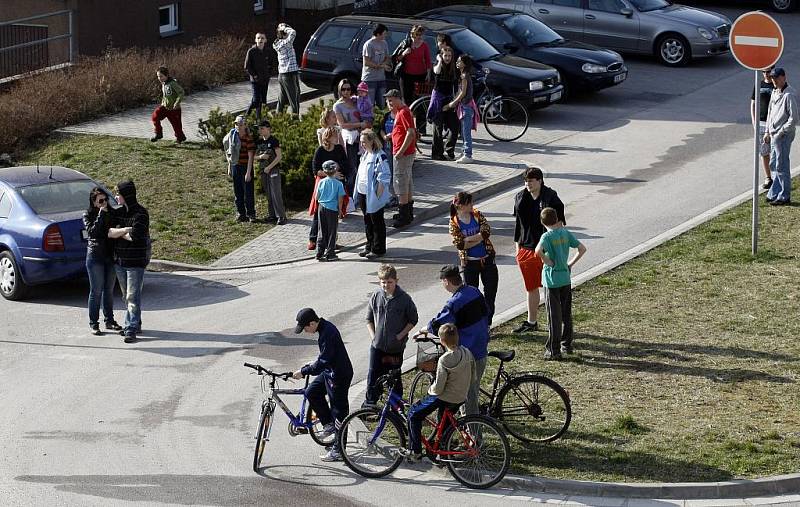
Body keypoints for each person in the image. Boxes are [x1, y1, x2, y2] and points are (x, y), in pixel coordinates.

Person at [401, 323, 474, 463]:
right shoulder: (466, 352)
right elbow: (473, 373)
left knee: (413, 414)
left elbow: (438, 388)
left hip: (445, 396)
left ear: (441, 341)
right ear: (457, 337)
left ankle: (415, 451)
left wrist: (429, 390)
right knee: (444, 421)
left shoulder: (444, 359)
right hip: (460, 396)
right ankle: (443, 452)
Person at [423, 265, 489, 416]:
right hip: (481, 346)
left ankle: (474, 437)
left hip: (467, 354)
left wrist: (424, 329)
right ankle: (465, 427)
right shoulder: (474, 291)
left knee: (467, 396)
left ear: (446, 281)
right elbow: (487, 312)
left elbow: (439, 324)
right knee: (473, 389)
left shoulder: (455, 302)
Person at [292, 308, 353, 462]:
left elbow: (324, 360)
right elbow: (324, 358)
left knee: (339, 412)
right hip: (329, 372)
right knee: (311, 392)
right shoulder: (324, 329)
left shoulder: (328, 333)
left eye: (305, 328)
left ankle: (339, 450)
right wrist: (312, 365)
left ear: (312, 323)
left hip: (339, 375)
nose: (305, 331)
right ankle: (328, 424)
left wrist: (304, 371)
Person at [512, 166, 565, 334]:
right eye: (526, 181)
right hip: (526, 249)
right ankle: (532, 321)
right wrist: (517, 248)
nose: (528, 184)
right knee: (531, 287)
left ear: (540, 181)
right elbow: (518, 225)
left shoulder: (551, 197)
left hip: (547, 250)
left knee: (551, 287)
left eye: (531, 181)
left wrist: (554, 248)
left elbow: (560, 224)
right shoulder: (520, 197)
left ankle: (557, 322)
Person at [535, 207, 586, 360]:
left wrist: (548, 262)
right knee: (566, 313)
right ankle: (567, 344)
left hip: (551, 280)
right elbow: (582, 249)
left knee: (553, 316)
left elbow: (537, 251)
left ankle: (553, 350)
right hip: (565, 278)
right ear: (557, 219)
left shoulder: (546, 236)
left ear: (542, 222)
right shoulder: (565, 233)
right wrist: (570, 264)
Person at [363, 264, 419, 407]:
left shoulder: (405, 299)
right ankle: (370, 405)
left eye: (389, 282)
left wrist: (400, 336)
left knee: (393, 376)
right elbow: (369, 318)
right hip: (378, 346)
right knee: (373, 375)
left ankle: (396, 405)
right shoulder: (376, 295)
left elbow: (413, 319)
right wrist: (373, 336)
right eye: (383, 282)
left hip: (395, 347)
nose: (386, 285)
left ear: (396, 281)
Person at [108, 180, 150, 344]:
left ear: (127, 195)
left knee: (133, 296)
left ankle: (130, 328)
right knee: (127, 296)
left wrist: (121, 232)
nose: (116, 197)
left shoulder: (141, 214)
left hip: (135, 263)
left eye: (118, 194)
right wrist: (126, 230)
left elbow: (135, 236)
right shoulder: (118, 213)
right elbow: (110, 233)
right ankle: (136, 322)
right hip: (120, 261)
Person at [449, 191, 498, 325]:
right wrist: (479, 237)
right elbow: (460, 244)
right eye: (469, 203)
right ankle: (477, 324)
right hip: (470, 264)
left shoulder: (477, 214)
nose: (472, 205)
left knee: (490, 294)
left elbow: (487, 232)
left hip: (487, 260)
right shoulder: (454, 222)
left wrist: (469, 239)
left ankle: (488, 322)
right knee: (472, 296)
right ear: (460, 206)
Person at [83, 187, 122, 336]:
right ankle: (94, 323)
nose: (105, 203)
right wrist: (100, 215)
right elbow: (92, 232)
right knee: (96, 291)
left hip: (110, 256)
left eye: (106, 199)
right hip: (95, 257)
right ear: (94, 202)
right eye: (101, 201)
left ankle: (110, 320)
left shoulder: (111, 212)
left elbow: (116, 228)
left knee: (109, 291)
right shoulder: (88, 214)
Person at [309, 127, 351, 250]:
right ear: (328, 137)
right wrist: (331, 174)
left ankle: (332, 241)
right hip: (325, 185)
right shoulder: (320, 150)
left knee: (334, 215)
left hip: (338, 184)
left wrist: (338, 167)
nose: (337, 137)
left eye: (337, 134)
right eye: (334, 135)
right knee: (319, 212)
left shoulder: (339, 149)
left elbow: (346, 165)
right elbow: (315, 170)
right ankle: (313, 238)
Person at [764, 67, 798, 206]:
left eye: (776, 78)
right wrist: (767, 131)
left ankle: (784, 195)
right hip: (773, 134)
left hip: (783, 136)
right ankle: (774, 192)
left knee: (782, 165)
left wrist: (781, 132)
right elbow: (770, 113)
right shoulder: (774, 92)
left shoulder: (789, 94)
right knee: (774, 163)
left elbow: (793, 118)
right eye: (772, 78)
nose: (774, 80)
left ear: (783, 77)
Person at [355, 130, 392, 259]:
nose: (362, 144)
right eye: (361, 142)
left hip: (373, 195)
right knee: (367, 220)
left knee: (377, 221)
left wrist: (378, 194)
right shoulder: (365, 155)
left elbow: (385, 175)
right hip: (363, 193)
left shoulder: (379, 155)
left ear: (372, 141)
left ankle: (378, 249)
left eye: (364, 142)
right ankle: (369, 245)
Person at [384, 89, 417, 228]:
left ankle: (403, 215)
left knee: (400, 183)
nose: (389, 103)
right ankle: (408, 212)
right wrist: (392, 135)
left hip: (402, 154)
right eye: (388, 100)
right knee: (407, 181)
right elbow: (402, 130)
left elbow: (410, 133)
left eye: (391, 100)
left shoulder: (403, 112)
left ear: (398, 98)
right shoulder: (402, 111)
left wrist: (400, 152)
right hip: (405, 153)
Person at [444, 54, 479, 164]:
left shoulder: (464, 76)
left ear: (464, 63)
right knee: (464, 132)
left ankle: (468, 155)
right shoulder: (464, 75)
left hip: (466, 106)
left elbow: (463, 92)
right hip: (465, 105)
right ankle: (465, 152)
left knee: (465, 132)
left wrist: (453, 103)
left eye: (459, 61)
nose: (457, 63)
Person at [334, 79, 366, 197]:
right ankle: (351, 197)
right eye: (343, 89)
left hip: (362, 138)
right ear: (339, 90)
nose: (346, 92)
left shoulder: (356, 101)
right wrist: (359, 125)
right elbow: (342, 125)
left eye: (348, 89)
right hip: (349, 140)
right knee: (352, 168)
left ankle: (361, 195)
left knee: (362, 167)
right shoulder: (337, 105)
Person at [223, 115, 257, 222]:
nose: (237, 126)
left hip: (245, 167)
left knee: (248, 192)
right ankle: (241, 213)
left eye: (240, 124)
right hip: (235, 166)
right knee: (238, 192)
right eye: (236, 124)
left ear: (245, 126)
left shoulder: (248, 138)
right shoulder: (233, 136)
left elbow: (251, 156)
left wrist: (248, 173)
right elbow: (230, 153)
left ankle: (251, 214)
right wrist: (230, 166)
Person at [429, 44, 459, 161]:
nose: (448, 58)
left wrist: (455, 100)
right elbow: (436, 72)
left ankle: (449, 149)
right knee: (438, 127)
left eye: (449, 56)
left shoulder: (454, 68)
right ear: (441, 56)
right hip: (438, 98)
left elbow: (456, 85)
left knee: (455, 126)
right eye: (445, 55)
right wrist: (440, 61)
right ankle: (437, 153)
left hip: (449, 99)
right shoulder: (438, 65)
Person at [255, 120, 286, 225]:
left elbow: (279, 156)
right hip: (263, 171)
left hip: (273, 170)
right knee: (268, 193)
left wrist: (269, 167)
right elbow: (253, 156)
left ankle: (281, 216)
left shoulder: (273, 141)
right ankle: (272, 215)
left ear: (268, 129)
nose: (260, 130)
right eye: (259, 128)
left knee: (276, 193)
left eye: (262, 128)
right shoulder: (259, 142)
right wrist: (260, 157)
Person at [316, 160, 346, 261]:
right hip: (332, 209)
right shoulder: (338, 184)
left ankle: (319, 252)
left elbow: (317, 197)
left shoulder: (321, 182)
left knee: (322, 229)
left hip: (321, 207)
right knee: (332, 231)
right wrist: (340, 210)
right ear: (335, 170)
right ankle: (330, 253)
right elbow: (340, 199)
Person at [751, 66, 775, 190]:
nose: (766, 74)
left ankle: (777, 177)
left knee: (775, 152)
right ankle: (768, 177)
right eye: (764, 72)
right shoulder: (758, 84)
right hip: (761, 123)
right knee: (764, 152)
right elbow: (753, 104)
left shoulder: (776, 84)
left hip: (774, 125)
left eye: (768, 71)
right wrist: (754, 122)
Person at [396, 25, 431, 106]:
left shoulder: (424, 45)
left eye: (420, 35)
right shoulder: (406, 43)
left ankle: (417, 116)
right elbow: (397, 58)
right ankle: (407, 115)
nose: (418, 37)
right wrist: (404, 53)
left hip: (420, 75)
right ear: (412, 34)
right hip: (406, 75)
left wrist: (428, 73)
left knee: (418, 98)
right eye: (416, 35)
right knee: (406, 98)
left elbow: (428, 60)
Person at [150, 66, 186, 144]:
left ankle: (180, 138)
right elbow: (165, 96)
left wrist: (177, 102)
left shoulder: (173, 83)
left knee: (176, 125)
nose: (159, 78)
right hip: (165, 107)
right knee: (155, 116)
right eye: (158, 76)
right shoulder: (164, 84)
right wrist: (163, 102)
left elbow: (181, 92)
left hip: (174, 109)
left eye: (161, 76)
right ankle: (158, 133)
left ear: (166, 75)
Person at [361, 23, 390, 109]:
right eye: (384, 33)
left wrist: (385, 63)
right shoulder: (368, 44)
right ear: (378, 34)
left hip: (381, 78)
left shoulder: (384, 43)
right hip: (370, 79)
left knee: (382, 103)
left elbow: (387, 57)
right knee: (370, 104)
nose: (385, 35)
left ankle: (381, 120)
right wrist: (381, 66)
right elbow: (366, 62)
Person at [273, 22, 300, 114]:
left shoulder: (278, 43)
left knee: (282, 100)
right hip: (288, 75)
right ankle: (296, 121)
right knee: (294, 99)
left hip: (285, 75)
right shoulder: (285, 43)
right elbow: (293, 32)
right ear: (284, 34)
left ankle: (278, 119)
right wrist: (284, 27)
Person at [244, 32, 272, 121]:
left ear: (265, 40)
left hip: (265, 80)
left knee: (263, 101)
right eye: (258, 38)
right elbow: (247, 66)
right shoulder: (251, 51)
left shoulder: (268, 51)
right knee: (256, 100)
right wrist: (255, 76)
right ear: (255, 40)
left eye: (262, 38)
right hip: (255, 81)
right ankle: (245, 117)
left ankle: (259, 119)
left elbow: (271, 64)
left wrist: (268, 74)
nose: (260, 40)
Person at [379, 106, 397, 206]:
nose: (390, 105)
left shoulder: (400, 115)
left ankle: (397, 197)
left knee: (396, 173)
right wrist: (384, 136)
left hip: (397, 148)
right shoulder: (386, 115)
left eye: (391, 102)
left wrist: (392, 135)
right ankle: (391, 196)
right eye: (388, 102)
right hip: (387, 148)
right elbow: (381, 129)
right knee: (388, 171)